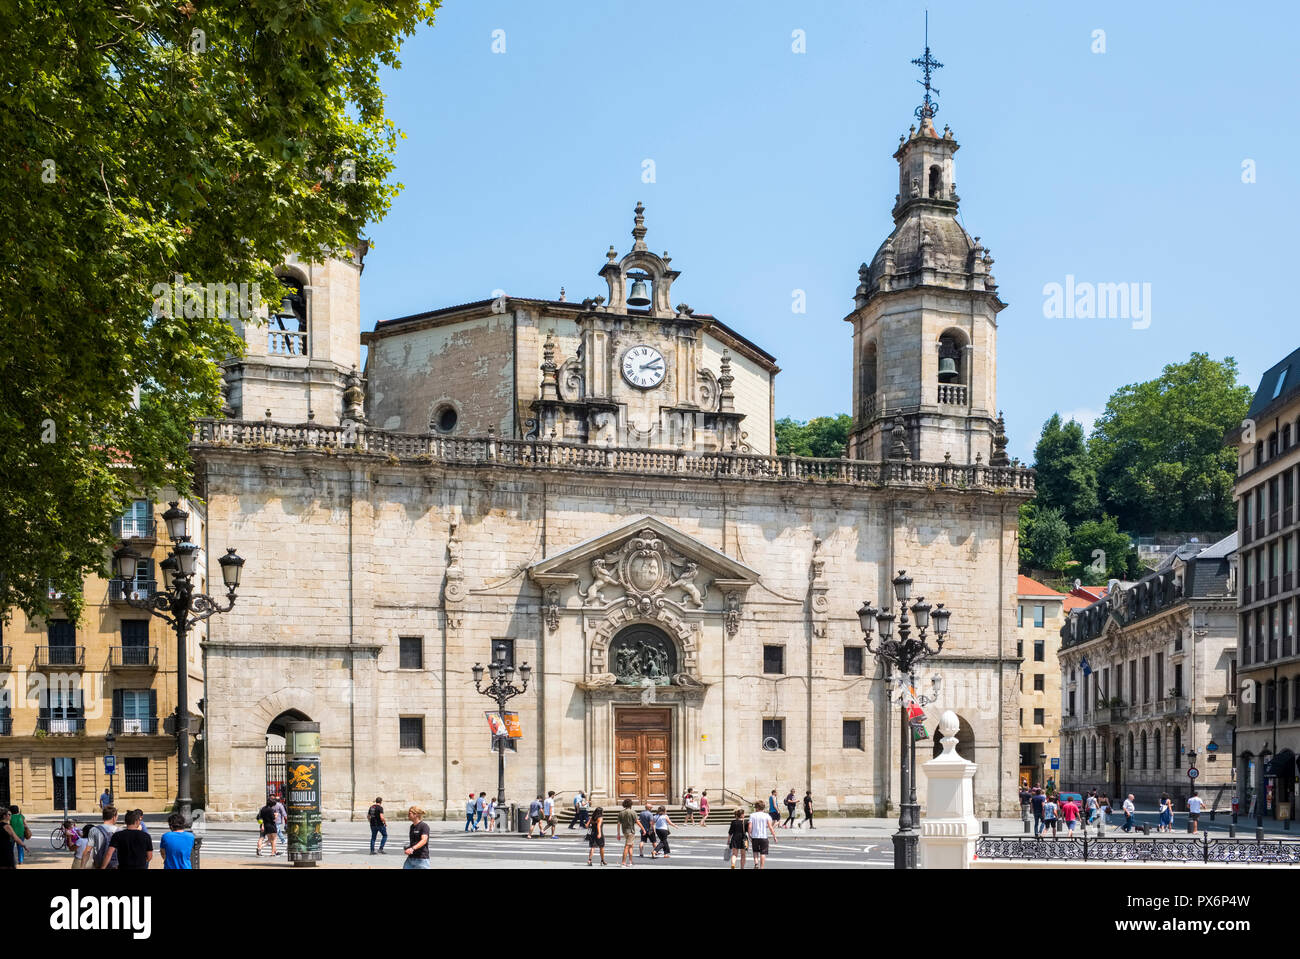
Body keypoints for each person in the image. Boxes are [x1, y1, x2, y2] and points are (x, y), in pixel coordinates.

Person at [748, 800, 777, 869]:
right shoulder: (767, 816)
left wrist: (749, 834)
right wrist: (774, 836)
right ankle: (762, 867)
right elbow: (770, 827)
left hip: (755, 836)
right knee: (763, 853)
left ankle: (756, 863)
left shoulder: (752, 815)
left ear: (757, 808)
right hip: (764, 837)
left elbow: (749, 826)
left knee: (755, 851)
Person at [618, 799, 638, 867]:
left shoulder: (621, 812)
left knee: (631, 846)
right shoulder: (632, 812)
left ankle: (630, 862)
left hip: (624, 831)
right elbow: (637, 821)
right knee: (627, 847)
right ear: (631, 804)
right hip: (631, 832)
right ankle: (623, 862)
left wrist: (618, 833)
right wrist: (643, 829)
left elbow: (618, 824)